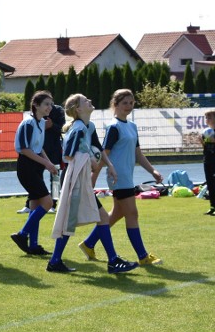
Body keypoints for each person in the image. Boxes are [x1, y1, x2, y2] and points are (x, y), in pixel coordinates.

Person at [48, 94, 138, 274]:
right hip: (76, 178)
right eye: (85, 101)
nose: (90, 101)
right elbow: (68, 154)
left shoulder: (88, 126)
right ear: (78, 109)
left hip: (80, 178)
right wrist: (90, 159)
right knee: (79, 219)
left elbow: (97, 147)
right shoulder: (78, 129)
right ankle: (112, 261)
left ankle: (56, 261)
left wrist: (109, 165)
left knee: (74, 219)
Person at [78, 89, 163, 266]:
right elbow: (104, 154)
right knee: (132, 213)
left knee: (117, 213)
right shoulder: (114, 127)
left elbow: (138, 154)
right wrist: (94, 176)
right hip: (118, 178)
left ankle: (88, 244)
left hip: (126, 177)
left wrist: (152, 171)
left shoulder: (131, 126)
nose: (129, 106)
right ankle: (142, 256)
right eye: (125, 103)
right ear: (115, 104)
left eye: (131, 103)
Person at [10, 90, 60, 255]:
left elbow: (39, 148)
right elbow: (25, 149)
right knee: (47, 203)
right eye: (46, 104)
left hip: (36, 166)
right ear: (36, 105)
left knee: (36, 204)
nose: (49, 107)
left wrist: (49, 163)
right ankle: (22, 234)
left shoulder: (41, 122)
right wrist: (46, 162)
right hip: (27, 167)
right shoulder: (28, 123)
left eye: (51, 104)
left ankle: (33, 245)